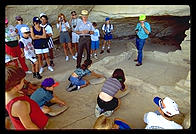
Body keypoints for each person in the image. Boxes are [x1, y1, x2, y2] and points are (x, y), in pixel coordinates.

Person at [5, 65, 48, 130]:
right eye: (23, 81)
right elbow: (29, 126)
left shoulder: (10, 93)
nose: (24, 83)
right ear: (16, 86)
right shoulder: (18, 104)